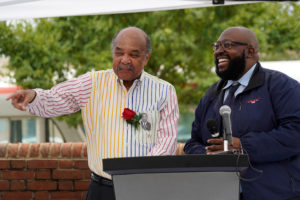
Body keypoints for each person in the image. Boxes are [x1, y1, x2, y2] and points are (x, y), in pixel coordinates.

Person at [6, 26, 179, 200]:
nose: (125, 60)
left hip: (147, 189)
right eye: (119, 53)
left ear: (146, 58)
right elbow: (55, 98)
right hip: (102, 190)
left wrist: (139, 175)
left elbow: (167, 142)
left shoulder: (164, 91)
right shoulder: (91, 84)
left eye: (133, 55)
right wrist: (35, 96)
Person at [184, 27, 300, 200]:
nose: (219, 51)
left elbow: (295, 133)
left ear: (250, 51)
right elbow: (192, 142)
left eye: (227, 45)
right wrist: (209, 154)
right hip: (220, 193)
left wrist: (243, 146)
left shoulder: (280, 85)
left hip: (274, 193)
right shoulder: (211, 94)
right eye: (216, 46)